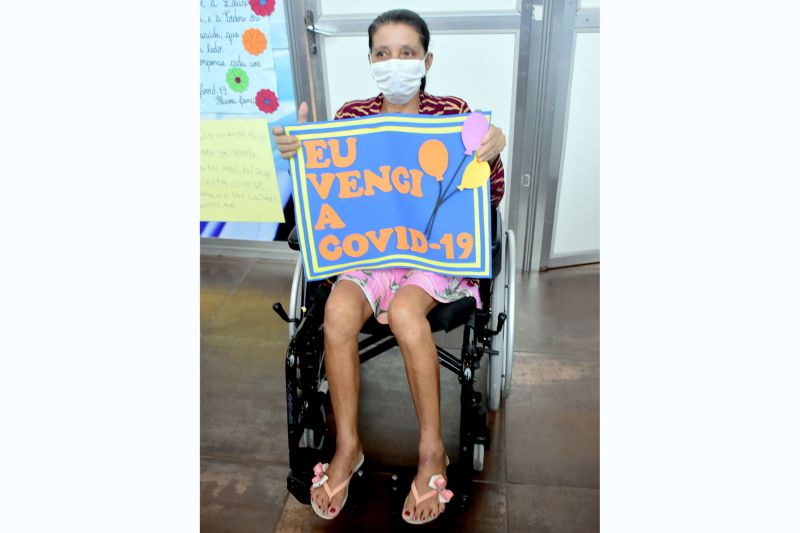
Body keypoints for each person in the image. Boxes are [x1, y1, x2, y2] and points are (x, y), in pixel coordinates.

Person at [271, 9, 506, 525]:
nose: (394, 63)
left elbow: (488, 196)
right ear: (370, 60)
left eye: (406, 53)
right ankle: (348, 446)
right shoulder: (352, 116)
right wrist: (299, 152)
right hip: (371, 252)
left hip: (433, 256)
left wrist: (493, 149)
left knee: (404, 313)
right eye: (382, 53)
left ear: (426, 59)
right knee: (335, 312)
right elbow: (328, 188)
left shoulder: (455, 114)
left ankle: (431, 451)